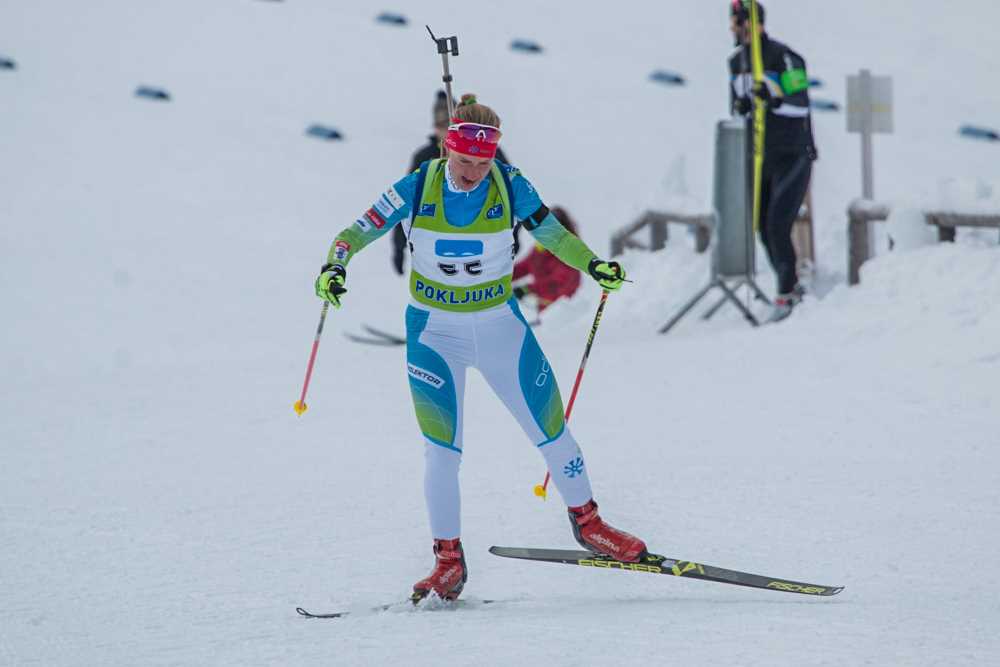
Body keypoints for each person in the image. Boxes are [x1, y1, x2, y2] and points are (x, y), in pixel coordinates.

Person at [315, 94, 646, 602]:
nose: (472, 172)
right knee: (441, 452)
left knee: (551, 429)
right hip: (433, 333)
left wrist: (593, 264)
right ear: (447, 150)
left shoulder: (510, 186)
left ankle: (589, 524)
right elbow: (356, 231)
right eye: (464, 161)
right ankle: (447, 559)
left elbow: (553, 234)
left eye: (482, 162)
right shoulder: (419, 184)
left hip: (498, 327)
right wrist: (335, 266)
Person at [728, 0, 817, 321]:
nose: (731, 30)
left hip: (792, 154)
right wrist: (741, 106)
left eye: (735, 22)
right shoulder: (737, 62)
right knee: (763, 227)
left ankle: (787, 292)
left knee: (779, 224)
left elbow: (802, 104)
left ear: (750, 23)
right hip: (759, 155)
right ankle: (787, 286)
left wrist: (775, 98)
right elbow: (737, 109)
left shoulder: (784, 57)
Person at [392, 91, 511, 275]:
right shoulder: (424, 158)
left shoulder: (487, 152)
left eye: (447, 125)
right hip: (438, 248)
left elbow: (510, 196)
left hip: (483, 245)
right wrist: (399, 247)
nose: (443, 131)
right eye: (439, 126)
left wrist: (513, 238)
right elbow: (405, 203)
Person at [512, 206, 582, 313]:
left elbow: (556, 284)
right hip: (544, 310)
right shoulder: (541, 249)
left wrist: (527, 289)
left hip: (563, 312)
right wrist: (502, 276)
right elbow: (524, 267)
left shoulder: (568, 252)